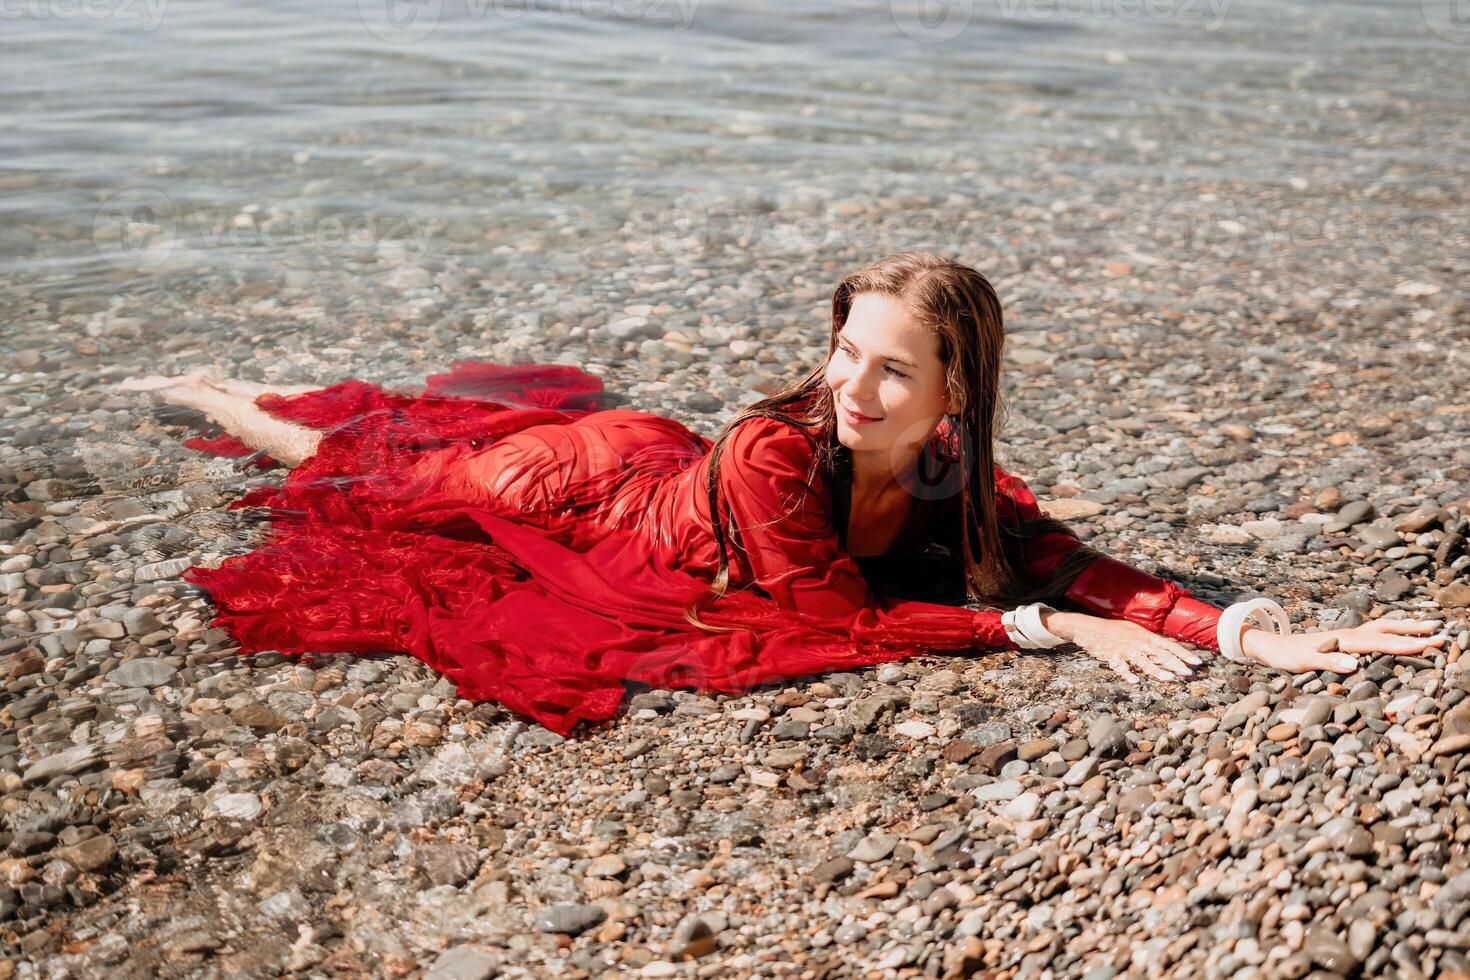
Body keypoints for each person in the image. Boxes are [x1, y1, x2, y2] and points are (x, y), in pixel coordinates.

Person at [115, 252, 1446, 735]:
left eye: (892, 372)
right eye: (845, 355)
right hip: (581, 492)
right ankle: (223, 394)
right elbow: (832, 625)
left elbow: (1078, 567)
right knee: (375, 470)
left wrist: (1251, 633)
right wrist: (1045, 629)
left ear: (952, 402)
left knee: (389, 441)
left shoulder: (954, 478)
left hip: (653, 482)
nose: (854, 391)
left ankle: (283, 390)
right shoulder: (774, 452)